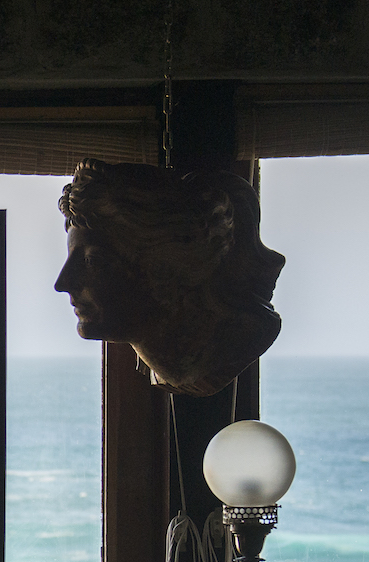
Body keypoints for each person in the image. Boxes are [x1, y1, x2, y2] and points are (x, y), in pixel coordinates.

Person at [54, 157, 285, 397]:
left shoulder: (231, 344)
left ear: (170, 264)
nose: (63, 283)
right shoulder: (170, 363)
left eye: (93, 262)